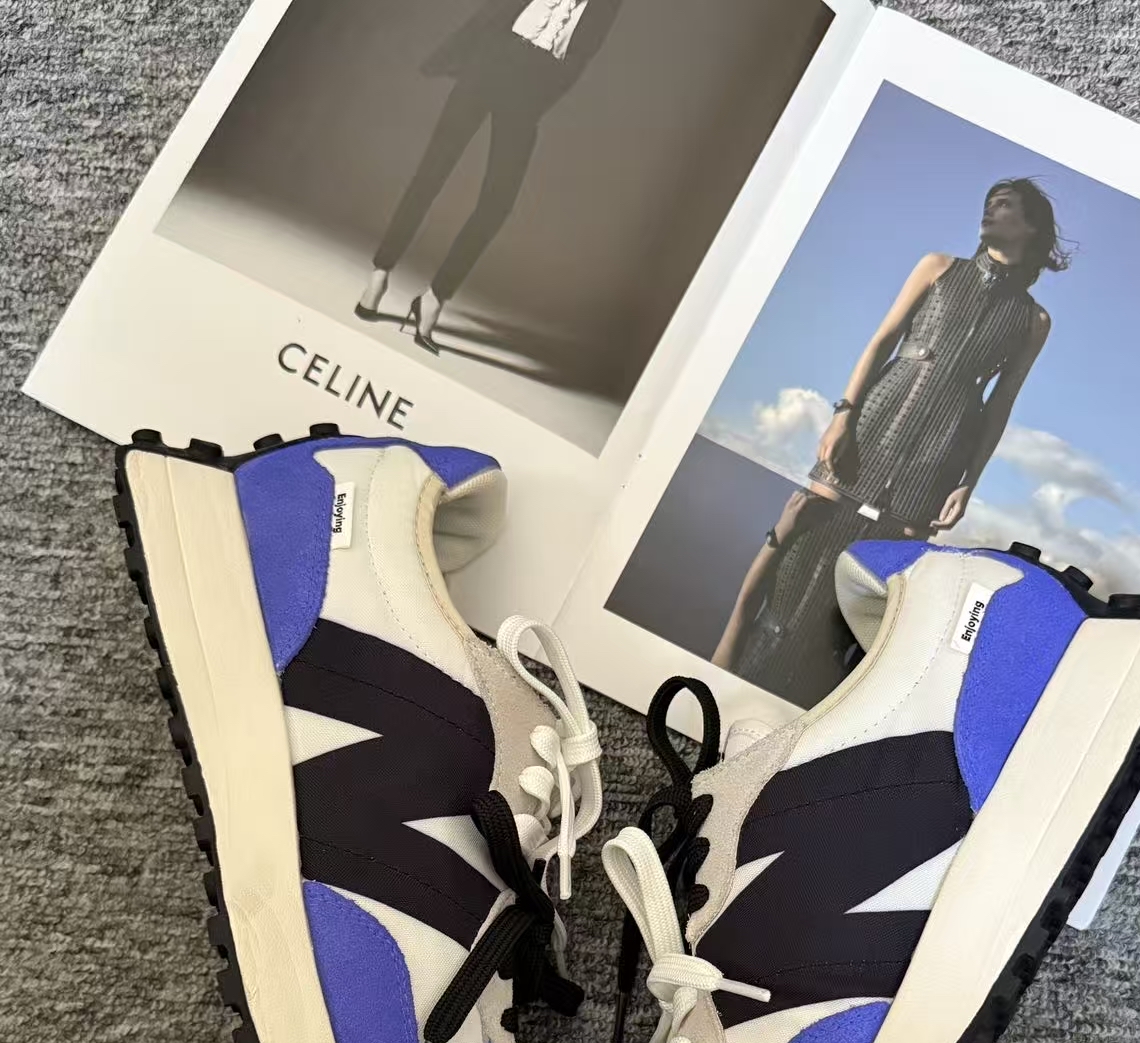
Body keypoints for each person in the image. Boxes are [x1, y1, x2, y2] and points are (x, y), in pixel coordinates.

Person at [713, 178, 1071, 706]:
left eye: (1005, 206)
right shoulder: (939, 267)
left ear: (1032, 227)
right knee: (806, 534)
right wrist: (843, 414)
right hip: (877, 417)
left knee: (876, 577)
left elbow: (1001, 405)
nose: (989, 210)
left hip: (940, 451)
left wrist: (969, 483)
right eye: (989, 202)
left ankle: (811, 704)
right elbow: (882, 340)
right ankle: (733, 665)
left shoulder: (1034, 320)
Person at [356, 0, 625, 347]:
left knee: (498, 202)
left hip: (532, 88)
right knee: (431, 175)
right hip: (491, 62)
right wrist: (475, 53)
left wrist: (542, 95)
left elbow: (581, 55)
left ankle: (435, 297)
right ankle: (380, 273)